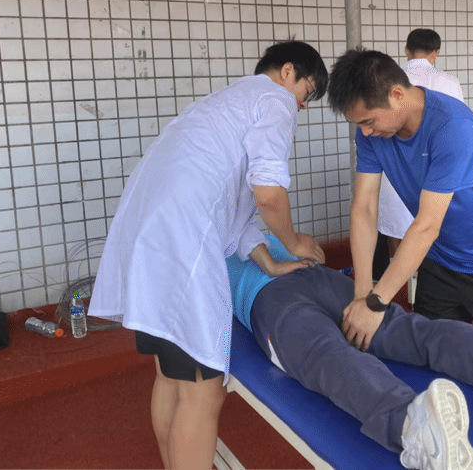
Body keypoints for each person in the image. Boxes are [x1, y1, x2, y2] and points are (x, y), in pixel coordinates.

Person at [88, 41, 328, 470]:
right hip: (182, 249)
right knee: (203, 391)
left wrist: (269, 262)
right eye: (307, 92)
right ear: (288, 71)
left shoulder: (225, 102)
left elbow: (235, 209)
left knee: (171, 376)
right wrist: (294, 243)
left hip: (147, 245)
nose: (303, 106)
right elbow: (268, 194)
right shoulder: (275, 101)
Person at [227, 236, 473, 469]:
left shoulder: (197, 244)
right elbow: (299, 243)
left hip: (269, 301)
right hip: (314, 274)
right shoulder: (242, 216)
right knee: (410, 331)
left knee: (326, 357)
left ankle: (413, 423)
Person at [327, 47, 473, 347]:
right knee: (434, 356)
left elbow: (427, 225)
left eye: (369, 121)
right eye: (358, 124)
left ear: (396, 95)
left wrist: (376, 303)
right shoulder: (370, 134)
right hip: (439, 257)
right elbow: (364, 208)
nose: (365, 132)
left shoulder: (452, 126)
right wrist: (363, 292)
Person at [374, 29, 466, 279]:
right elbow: (458, 126)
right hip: (437, 166)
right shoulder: (449, 82)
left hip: (396, 163)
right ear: (436, 53)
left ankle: (405, 280)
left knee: (398, 221)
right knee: (435, 223)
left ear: (406, 50)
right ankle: (432, 278)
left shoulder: (387, 83)